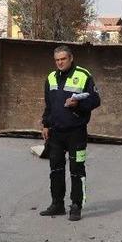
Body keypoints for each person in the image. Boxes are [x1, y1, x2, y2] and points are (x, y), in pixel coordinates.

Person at [39, 45, 101, 221]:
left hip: (76, 132)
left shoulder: (83, 75)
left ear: (71, 58)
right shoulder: (51, 77)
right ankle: (57, 204)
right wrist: (45, 125)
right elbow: (49, 105)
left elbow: (96, 100)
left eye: (63, 59)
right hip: (56, 133)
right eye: (57, 60)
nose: (60, 62)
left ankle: (76, 206)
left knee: (77, 170)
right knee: (56, 169)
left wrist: (78, 105)